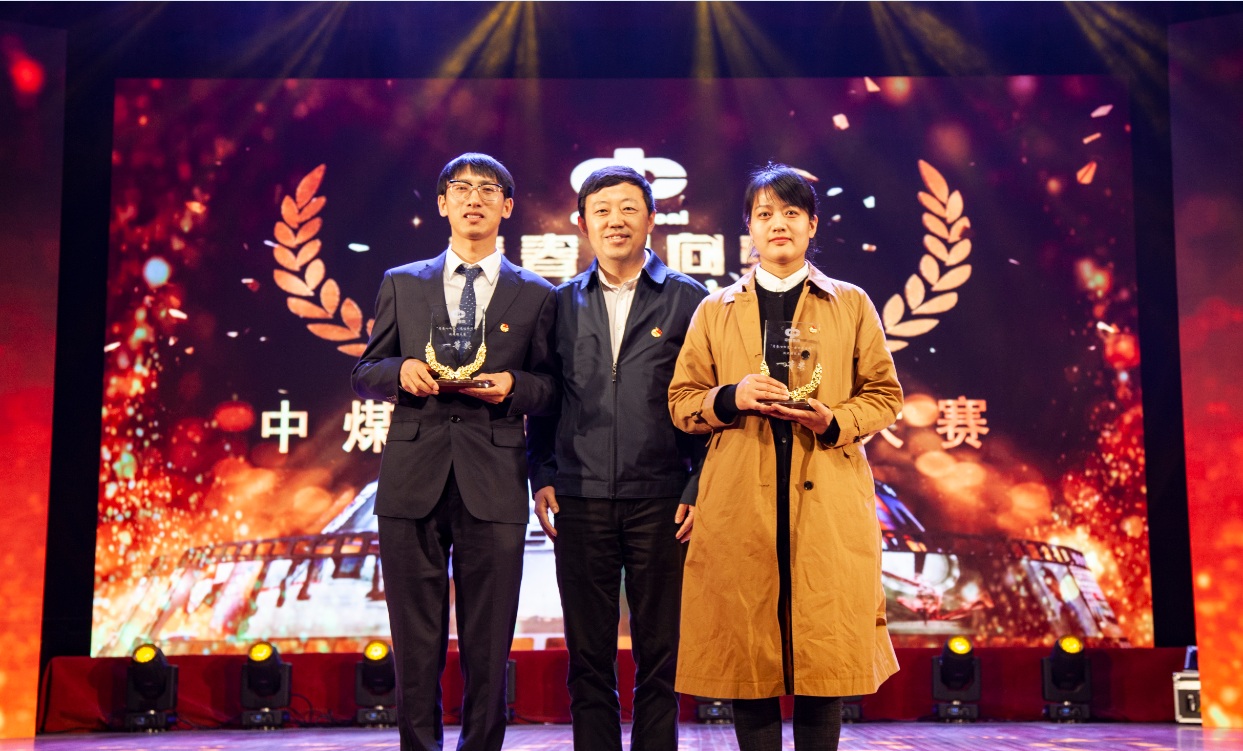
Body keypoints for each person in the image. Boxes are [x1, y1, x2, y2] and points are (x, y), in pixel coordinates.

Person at [667, 164, 902, 751]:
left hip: (826, 496)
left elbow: (884, 395)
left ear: (812, 225)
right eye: (765, 213)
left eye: (792, 213)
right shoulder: (715, 309)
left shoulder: (850, 303)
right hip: (738, 500)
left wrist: (835, 420)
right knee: (749, 663)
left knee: (823, 664)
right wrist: (731, 396)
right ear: (748, 226)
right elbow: (682, 401)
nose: (779, 224)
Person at [351, 153, 557, 751]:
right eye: (461, 189)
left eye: (488, 190)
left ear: (507, 207)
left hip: (493, 479)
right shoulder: (403, 282)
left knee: (488, 641)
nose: (474, 199)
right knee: (414, 640)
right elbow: (366, 371)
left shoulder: (537, 293)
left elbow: (552, 388)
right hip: (412, 477)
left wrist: (515, 386)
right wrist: (400, 372)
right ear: (442, 203)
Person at [529, 166, 706, 751]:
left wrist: (697, 486)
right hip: (579, 498)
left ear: (652, 219)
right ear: (582, 224)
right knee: (588, 658)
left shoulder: (689, 299)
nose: (615, 221)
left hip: (663, 499)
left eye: (629, 208)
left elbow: (706, 403)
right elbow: (546, 398)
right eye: (601, 210)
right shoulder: (559, 303)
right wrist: (542, 474)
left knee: (661, 656)